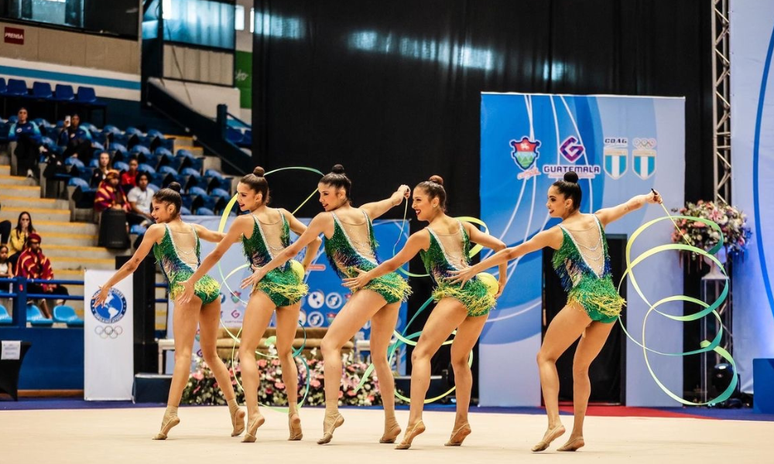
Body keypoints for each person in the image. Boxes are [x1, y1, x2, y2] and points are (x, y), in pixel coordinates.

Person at [449, 171, 661, 453]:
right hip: (610, 300)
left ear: (569, 203)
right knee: (580, 367)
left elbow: (512, 253)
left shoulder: (556, 233)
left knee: (545, 357)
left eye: (552, 200)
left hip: (585, 296)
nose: (547, 205)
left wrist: (473, 269)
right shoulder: (598, 219)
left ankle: (554, 423)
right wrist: (649, 197)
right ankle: (577, 434)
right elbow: (630, 205)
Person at [241, 164, 411, 445]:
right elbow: (392, 201)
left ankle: (332, 413)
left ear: (342, 193)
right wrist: (400, 192)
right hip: (390, 284)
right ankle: (391, 422)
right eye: (320, 195)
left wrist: (262, 270)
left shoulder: (325, 219)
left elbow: (293, 249)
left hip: (369, 284)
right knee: (379, 357)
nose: (321, 199)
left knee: (329, 345)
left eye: (326, 194)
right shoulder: (364, 212)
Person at [343, 175, 507, 450]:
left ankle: (414, 421)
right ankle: (461, 423)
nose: (415, 205)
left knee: (421, 353)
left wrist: (365, 277)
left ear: (435, 202)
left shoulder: (423, 236)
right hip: (480, 296)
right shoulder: (463, 227)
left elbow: (393, 264)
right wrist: (500, 282)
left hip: (455, 295)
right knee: (460, 360)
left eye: (419, 201)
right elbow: (502, 248)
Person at [178, 166, 322, 442]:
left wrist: (193, 280)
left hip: (266, 284)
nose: (239, 200)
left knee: (246, 349)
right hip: (292, 284)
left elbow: (218, 253)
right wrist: (303, 266)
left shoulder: (245, 222)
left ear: (259, 196)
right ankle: (293, 413)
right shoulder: (283, 215)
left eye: (243, 195)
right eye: (237, 195)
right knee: (285, 352)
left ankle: (254, 413)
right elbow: (314, 239)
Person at [93, 182, 245, 440]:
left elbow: (133, 264)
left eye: (156, 208)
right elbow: (224, 238)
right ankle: (234, 409)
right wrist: (248, 233)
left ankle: (171, 412)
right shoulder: (195, 229)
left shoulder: (157, 230)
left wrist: (107, 285)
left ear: (170, 208)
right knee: (211, 355)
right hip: (208, 286)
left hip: (187, 288)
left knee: (183, 354)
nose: (152, 213)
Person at [16, 233, 69, 319]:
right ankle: (48, 315)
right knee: (37, 289)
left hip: (44, 284)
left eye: (38, 243)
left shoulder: (43, 258)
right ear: (29, 243)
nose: (37, 245)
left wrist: (50, 284)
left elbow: (48, 272)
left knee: (63, 290)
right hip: (30, 284)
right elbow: (28, 275)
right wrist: (43, 286)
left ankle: (58, 313)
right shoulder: (24, 257)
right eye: (34, 243)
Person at [8, 107, 42, 178]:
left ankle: (29, 170)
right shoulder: (14, 126)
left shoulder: (32, 124)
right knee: (24, 137)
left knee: (30, 146)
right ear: (18, 115)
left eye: (24, 113)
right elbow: (10, 137)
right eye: (20, 113)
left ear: (27, 116)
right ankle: (39, 148)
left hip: (30, 147)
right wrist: (22, 137)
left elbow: (38, 135)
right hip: (21, 147)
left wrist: (28, 138)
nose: (22, 115)